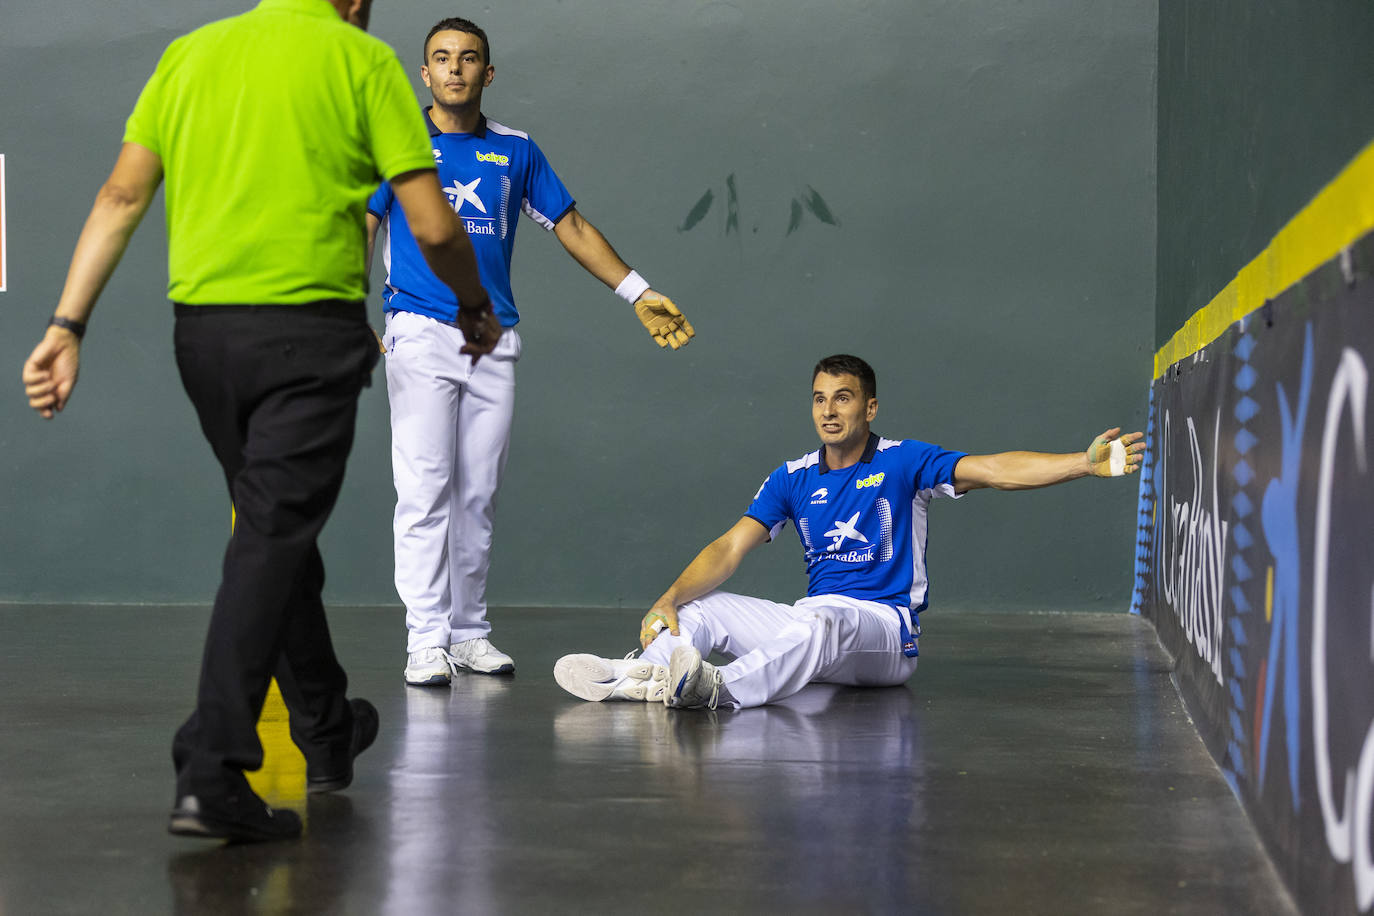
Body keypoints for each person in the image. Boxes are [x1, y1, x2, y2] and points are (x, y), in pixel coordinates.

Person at [20, 0, 499, 842]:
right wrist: (472, 306)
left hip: (203, 337)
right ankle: (209, 771)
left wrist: (66, 326)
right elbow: (430, 221)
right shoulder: (362, 62)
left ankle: (324, 727)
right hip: (306, 336)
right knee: (271, 534)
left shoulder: (191, 54)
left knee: (277, 532)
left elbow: (121, 191)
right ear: (354, 1)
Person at [366, 17, 695, 687]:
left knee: (477, 494)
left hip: (495, 336)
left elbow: (568, 223)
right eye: (441, 59)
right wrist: (347, 310)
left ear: (488, 74)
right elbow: (363, 224)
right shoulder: (396, 144)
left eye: (469, 59)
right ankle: (425, 640)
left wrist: (638, 292)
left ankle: (468, 633)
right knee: (425, 490)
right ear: (423, 74)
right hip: (420, 330)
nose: (455, 69)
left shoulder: (515, 150)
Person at [554, 354, 1144, 710]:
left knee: (823, 619)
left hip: (884, 636)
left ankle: (717, 689)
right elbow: (730, 546)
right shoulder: (792, 477)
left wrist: (1080, 462)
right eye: (819, 399)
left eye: (843, 398)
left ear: (870, 408)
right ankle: (650, 674)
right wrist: (669, 599)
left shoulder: (903, 461)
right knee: (704, 608)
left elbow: (991, 470)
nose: (828, 410)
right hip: (814, 622)